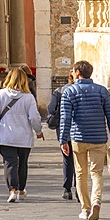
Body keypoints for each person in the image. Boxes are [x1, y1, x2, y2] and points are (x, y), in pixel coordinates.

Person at [59, 59, 110, 220]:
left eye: (72, 70)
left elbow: (65, 118)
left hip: (78, 138)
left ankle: (85, 209)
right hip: (98, 137)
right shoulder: (102, 91)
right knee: (96, 172)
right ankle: (96, 201)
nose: (71, 73)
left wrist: (63, 140)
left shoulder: (69, 92)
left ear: (78, 72)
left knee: (80, 173)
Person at [0, 66, 43, 203]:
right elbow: (34, 117)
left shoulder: (0, 94)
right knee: (23, 163)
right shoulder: (28, 97)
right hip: (24, 136)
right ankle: (22, 189)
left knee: (10, 163)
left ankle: (12, 190)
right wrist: (38, 131)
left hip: (6, 135)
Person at [47, 70, 76, 200]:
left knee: (67, 160)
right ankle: (80, 188)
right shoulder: (83, 91)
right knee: (80, 161)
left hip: (64, 129)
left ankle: (67, 189)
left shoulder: (59, 91)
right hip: (80, 131)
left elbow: (50, 108)